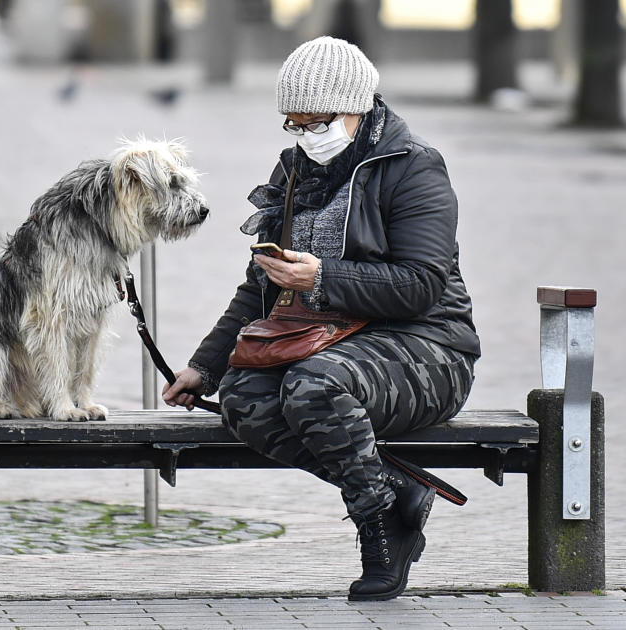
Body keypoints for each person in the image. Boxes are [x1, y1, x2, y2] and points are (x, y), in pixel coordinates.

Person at [163, 36, 481, 601]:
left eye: (318, 122)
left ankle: (381, 527)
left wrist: (322, 278)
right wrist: (205, 367)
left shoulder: (414, 169)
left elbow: (422, 285)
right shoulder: (295, 172)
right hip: (322, 340)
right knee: (244, 399)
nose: (307, 135)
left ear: (357, 106)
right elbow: (261, 284)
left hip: (424, 345)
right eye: (294, 123)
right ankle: (393, 491)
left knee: (314, 387)